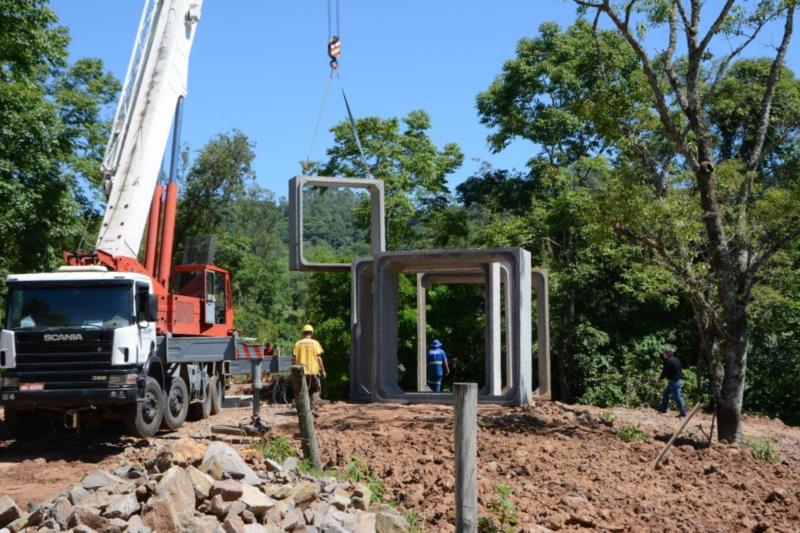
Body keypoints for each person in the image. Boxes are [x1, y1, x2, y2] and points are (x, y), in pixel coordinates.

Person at [293, 324, 326, 408]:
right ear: (312, 333)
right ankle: (314, 408)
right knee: (315, 390)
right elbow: (318, 358)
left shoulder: (298, 344)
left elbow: (294, 359)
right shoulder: (315, 343)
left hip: (301, 373)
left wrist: (293, 373)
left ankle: (304, 409)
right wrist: (323, 371)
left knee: (303, 391)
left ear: (302, 333)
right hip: (313, 372)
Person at [658, 345, 687, 417]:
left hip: (675, 381)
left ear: (666, 353)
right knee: (666, 394)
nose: (663, 355)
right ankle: (663, 410)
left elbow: (665, 371)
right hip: (675, 380)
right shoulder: (676, 359)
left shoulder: (668, 361)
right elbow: (680, 370)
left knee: (677, 396)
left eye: (664, 353)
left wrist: (659, 379)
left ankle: (683, 412)